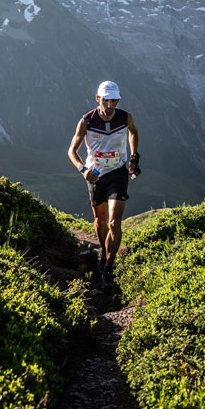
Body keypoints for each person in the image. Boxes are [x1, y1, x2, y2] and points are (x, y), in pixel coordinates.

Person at [68, 80, 140, 290]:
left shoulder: (125, 117)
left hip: (118, 172)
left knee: (114, 223)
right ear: (98, 99)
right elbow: (72, 151)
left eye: (114, 100)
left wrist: (134, 157)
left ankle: (109, 266)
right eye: (106, 100)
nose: (110, 105)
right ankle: (103, 252)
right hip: (96, 175)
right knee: (99, 222)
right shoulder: (86, 121)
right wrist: (83, 170)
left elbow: (133, 132)